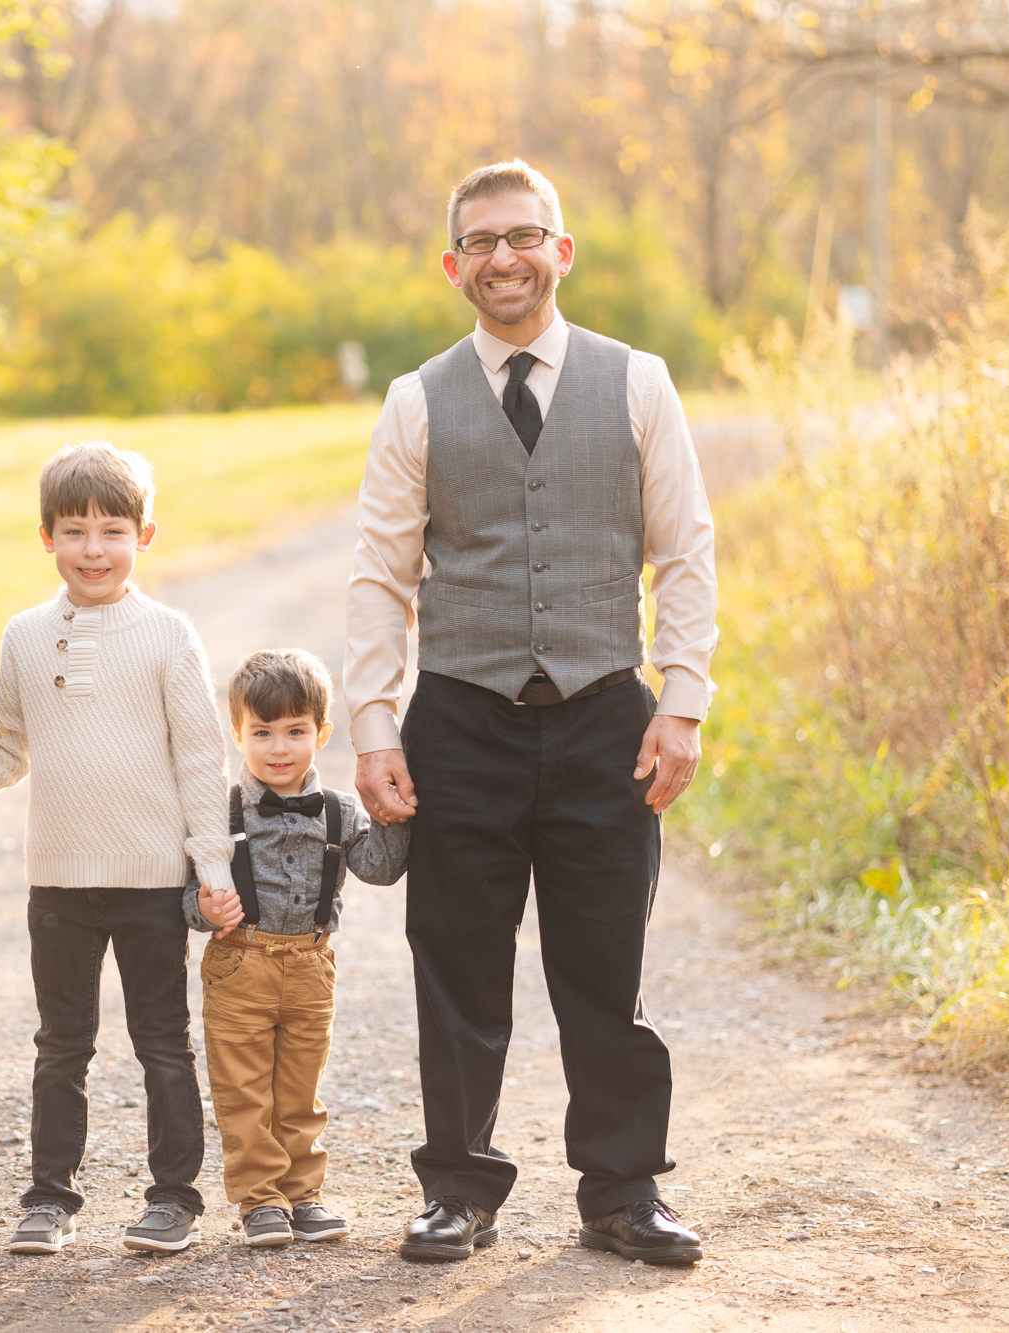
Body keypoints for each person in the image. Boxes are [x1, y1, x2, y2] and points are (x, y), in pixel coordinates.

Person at [344, 160, 718, 1266]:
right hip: (458, 719)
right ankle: (457, 1185)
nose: (500, 258)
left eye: (522, 236)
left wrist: (682, 702)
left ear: (560, 249)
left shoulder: (636, 381)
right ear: (452, 264)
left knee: (604, 962)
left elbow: (684, 551)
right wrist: (371, 722)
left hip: (607, 713)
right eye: (479, 242)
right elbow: (379, 572)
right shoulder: (416, 397)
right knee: (455, 961)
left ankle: (620, 1188)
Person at [0, 442, 234, 1256]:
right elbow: (7, 746)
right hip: (59, 883)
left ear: (144, 535)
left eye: (112, 530)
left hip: (153, 880)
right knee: (62, 1045)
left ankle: (174, 1197)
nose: (94, 549)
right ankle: (50, 1197)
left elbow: (200, 757)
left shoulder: (167, 634)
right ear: (45, 536)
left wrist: (213, 866)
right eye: (75, 530)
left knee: (162, 1041)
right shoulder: (22, 635)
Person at [187, 649, 410, 1248]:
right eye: (261, 733)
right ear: (237, 734)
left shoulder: (341, 810)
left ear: (321, 734)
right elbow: (186, 894)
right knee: (243, 1092)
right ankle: (261, 1200)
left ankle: (304, 1195)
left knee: (300, 1093)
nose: (278, 748)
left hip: (312, 966)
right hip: (240, 964)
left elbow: (381, 869)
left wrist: (399, 812)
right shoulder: (219, 815)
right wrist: (204, 910)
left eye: (295, 731)